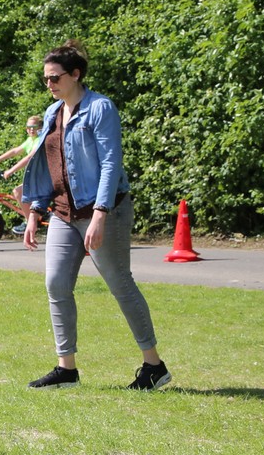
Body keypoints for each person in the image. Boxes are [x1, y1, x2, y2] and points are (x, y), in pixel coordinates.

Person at [19, 41, 170, 392]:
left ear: (75, 74)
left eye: (55, 78)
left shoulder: (100, 108)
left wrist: (101, 213)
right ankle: (66, 369)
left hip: (103, 209)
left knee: (119, 284)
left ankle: (154, 366)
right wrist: (35, 211)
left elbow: (110, 163)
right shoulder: (52, 112)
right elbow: (49, 164)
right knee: (56, 284)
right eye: (45, 79)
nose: (49, 84)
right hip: (63, 213)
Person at [0, 116, 44, 235]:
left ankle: (31, 222)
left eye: (34, 127)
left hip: (43, 177)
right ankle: (35, 216)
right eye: (29, 127)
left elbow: (29, 158)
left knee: (18, 192)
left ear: (40, 128)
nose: (31, 129)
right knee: (20, 193)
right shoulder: (30, 140)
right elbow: (15, 151)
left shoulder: (40, 140)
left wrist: (10, 171)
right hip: (35, 177)